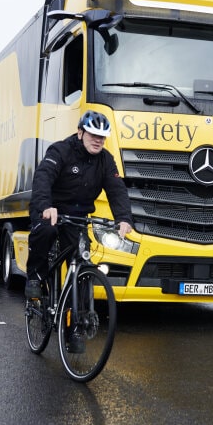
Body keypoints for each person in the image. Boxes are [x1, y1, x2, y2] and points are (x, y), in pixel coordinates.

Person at [25, 111, 133, 301]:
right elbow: (43, 178)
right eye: (93, 135)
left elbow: (117, 190)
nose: (98, 140)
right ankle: (35, 278)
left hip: (77, 216)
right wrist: (45, 206)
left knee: (82, 259)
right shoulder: (60, 151)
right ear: (80, 132)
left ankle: (78, 317)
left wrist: (123, 218)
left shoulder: (106, 160)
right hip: (50, 210)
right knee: (46, 232)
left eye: (102, 137)